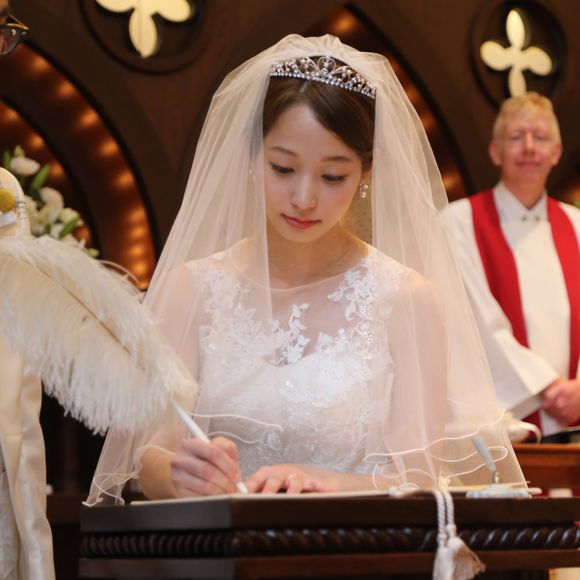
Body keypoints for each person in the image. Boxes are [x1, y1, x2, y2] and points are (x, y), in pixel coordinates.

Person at [87, 34, 525, 504]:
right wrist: (180, 475)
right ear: (252, 155)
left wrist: (325, 481)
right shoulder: (193, 289)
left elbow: (417, 477)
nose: (303, 198)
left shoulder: (406, 298)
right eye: (283, 168)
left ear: (366, 172)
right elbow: (150, 458)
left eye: (333, 176)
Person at [444, 92, 580, 439]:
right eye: (517, 137)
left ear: (556, 153)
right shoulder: (458, 222)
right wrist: (547, 386)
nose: (529, 148)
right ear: (495, 151)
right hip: (500, 425)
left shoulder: (577, 225)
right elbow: (474, 319)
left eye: (541, 137)